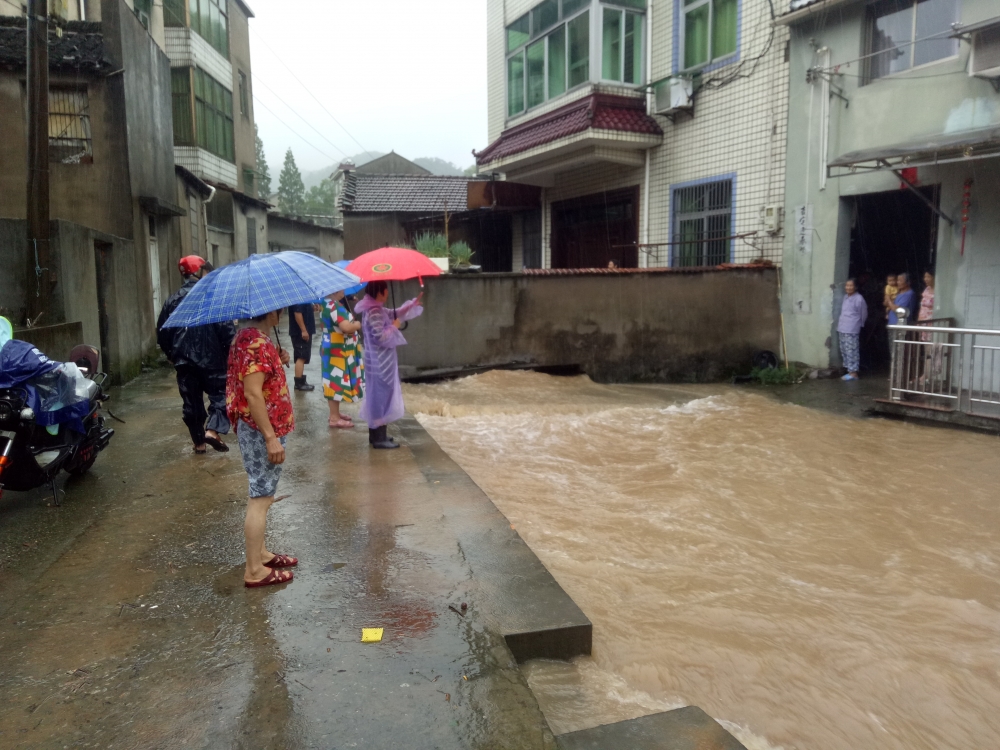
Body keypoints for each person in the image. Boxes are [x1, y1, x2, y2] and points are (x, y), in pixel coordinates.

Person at [227, 308, 298, 588]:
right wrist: (270, 437)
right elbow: (253, 393)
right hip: (260, 429)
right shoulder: (254, 343)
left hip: (262, 427)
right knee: (260, 497)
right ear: (273, 312)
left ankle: (261, 553)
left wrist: (277, 361)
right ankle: (254, 569)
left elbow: (259, 380)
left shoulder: (252, 339)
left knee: (263, 494)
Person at [156, 255, 234, 454]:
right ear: (199, 272)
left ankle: (199, 443)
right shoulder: (212, 296)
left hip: (184, 362)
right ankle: (212, 431)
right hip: (213, 360)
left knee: (191, 402)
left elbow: (163, 332)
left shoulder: (172, 300)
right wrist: (230, 352)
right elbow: (226, 330)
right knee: (221, 396)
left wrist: (173, 354)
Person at [354, 281, 424, 449]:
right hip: (380, 363)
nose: (386, 294)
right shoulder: (374, 311)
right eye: (385, 291)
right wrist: (394, 326)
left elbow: (393, 312)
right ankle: (379, 438)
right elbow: (380, 336)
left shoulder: (373, 308)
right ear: (380, 293)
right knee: (380, 398)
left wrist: (409, 306)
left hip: (377, 362)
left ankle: (378, 435)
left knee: (378, 397)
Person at [320, 291, 364, 429]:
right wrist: (357, 325)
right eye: (342, 288)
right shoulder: (334, 305)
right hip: (338, 350)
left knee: (333, 381)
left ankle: (336, 413)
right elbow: (346, 327)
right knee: (335, 382)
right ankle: (334, 417)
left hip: (332, 348)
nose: (344, 291)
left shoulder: (326, 303)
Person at [837, 278, 868, 381]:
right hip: (842, 327)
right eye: (847, 285)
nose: (848, 287)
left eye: (851, 286)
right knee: (844, 350)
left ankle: (854, 373)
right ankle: (849, 371)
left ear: (855, 287)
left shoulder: (859, 298)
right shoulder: (845, 297)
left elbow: (863, 313)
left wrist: (860, 324)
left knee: (851, 351)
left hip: (852, 328)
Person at [288, 302, 316, 392]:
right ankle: (299, 383)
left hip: (304, 331)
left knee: (303, 356)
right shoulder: (297, 299)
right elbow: (297, 313)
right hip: (300, 332)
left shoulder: (302, 298)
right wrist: (303, 330)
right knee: (301, 356)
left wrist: (312, 307)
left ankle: (301, 381)